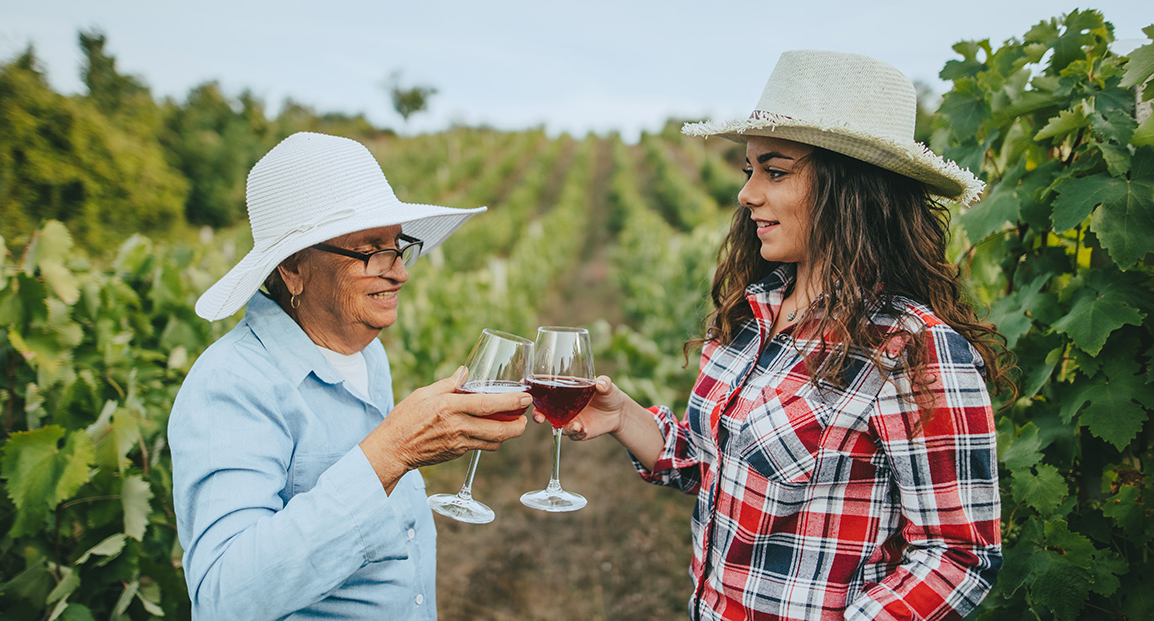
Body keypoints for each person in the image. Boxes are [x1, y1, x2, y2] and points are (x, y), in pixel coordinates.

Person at [558, 50, 1008, 620]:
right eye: (749, 170)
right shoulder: (752, 318)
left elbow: (960, 554)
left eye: (775, 171)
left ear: (851, 189)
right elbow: (718, 467)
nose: (747, 193)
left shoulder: (910, 347)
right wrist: (623, 415)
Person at [169, 132, 530, 620]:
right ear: (294, 269)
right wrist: (393, 452)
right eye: (370, 251)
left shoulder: (364, 352)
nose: (399, 272)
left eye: (397, 246)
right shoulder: (232, 385)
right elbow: (224, 597)